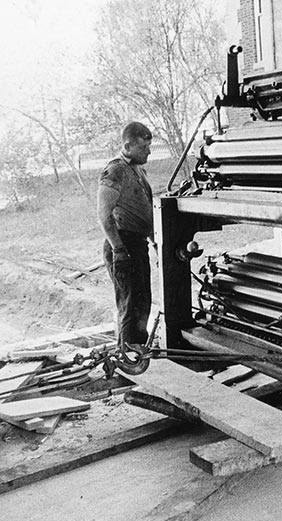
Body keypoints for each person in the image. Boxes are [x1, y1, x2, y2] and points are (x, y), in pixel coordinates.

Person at [97, 121, 155, 353]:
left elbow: (143, 210)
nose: (149, 151)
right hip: (123, 245)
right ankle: (129, 354)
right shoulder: (115, 171)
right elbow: (103, 215)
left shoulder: (138, 169)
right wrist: (118, 249)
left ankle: (138, 349)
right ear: (128, 146)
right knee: (130, 303)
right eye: (144, 148)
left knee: (143, 301)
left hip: (137, 244)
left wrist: (154, 241)